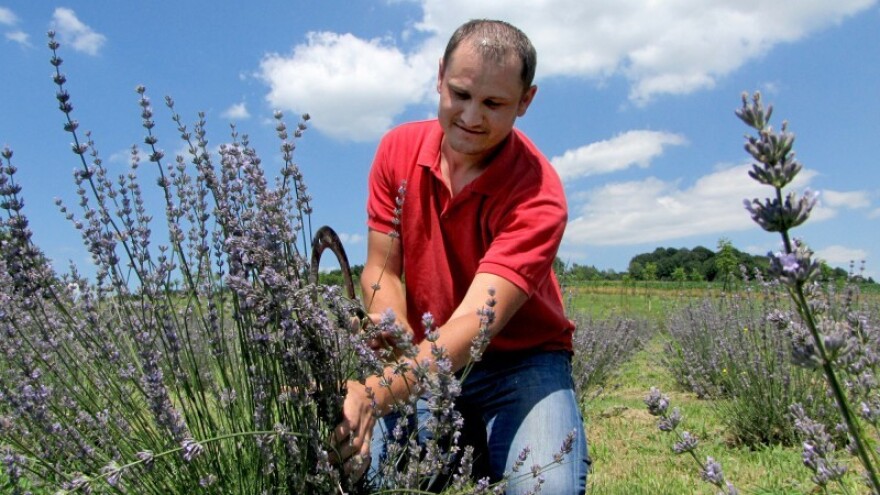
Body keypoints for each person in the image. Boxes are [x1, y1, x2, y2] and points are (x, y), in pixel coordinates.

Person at [332, 19, 589, 494]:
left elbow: (475, 322)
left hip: (523, 363)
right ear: (439, 77)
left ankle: (493, 443)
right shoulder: (397, 150)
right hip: (426, 359)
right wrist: (386, 321)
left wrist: (376, 393)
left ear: (526, 101)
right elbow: (381, 267)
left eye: (493, 103)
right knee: (362, 473)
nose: (471, 116)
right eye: (460, 94)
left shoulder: (538, 194)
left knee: (545, 488)